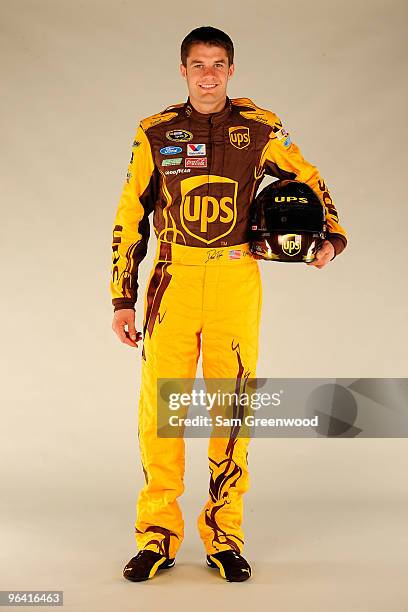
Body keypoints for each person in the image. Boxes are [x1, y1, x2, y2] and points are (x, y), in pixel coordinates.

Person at [110, 26, 347, 583]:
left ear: (232, 70)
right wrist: (123, 295)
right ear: (183, 70)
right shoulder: (156, 132)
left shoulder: (260, 128)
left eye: (218, 64)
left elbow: (308, 178)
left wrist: (331, 237)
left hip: (235, 280)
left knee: (233, 410)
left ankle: (224, 536)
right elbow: (129, 215)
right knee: (160, 415)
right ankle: (156, 536)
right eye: (198, 64)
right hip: (171, 280)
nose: (209, 75)